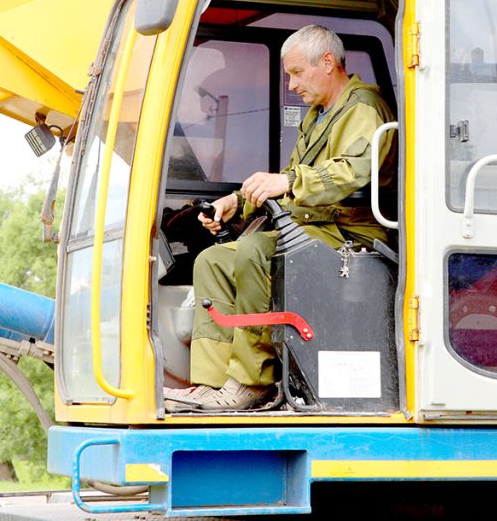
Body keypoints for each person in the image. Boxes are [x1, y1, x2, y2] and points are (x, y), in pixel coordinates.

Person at [164, 24, 396, 411]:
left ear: (327, 63)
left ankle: (254, 383)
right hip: (316, 226)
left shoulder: (363, 109)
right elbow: (290, 182)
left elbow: (348, 174)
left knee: (254, 251)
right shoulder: (320, 115)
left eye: (296, 73)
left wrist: (285, 182)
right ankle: (214, 382)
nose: (290, 85)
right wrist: (238, 202)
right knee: (214, 260)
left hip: (352, 232)